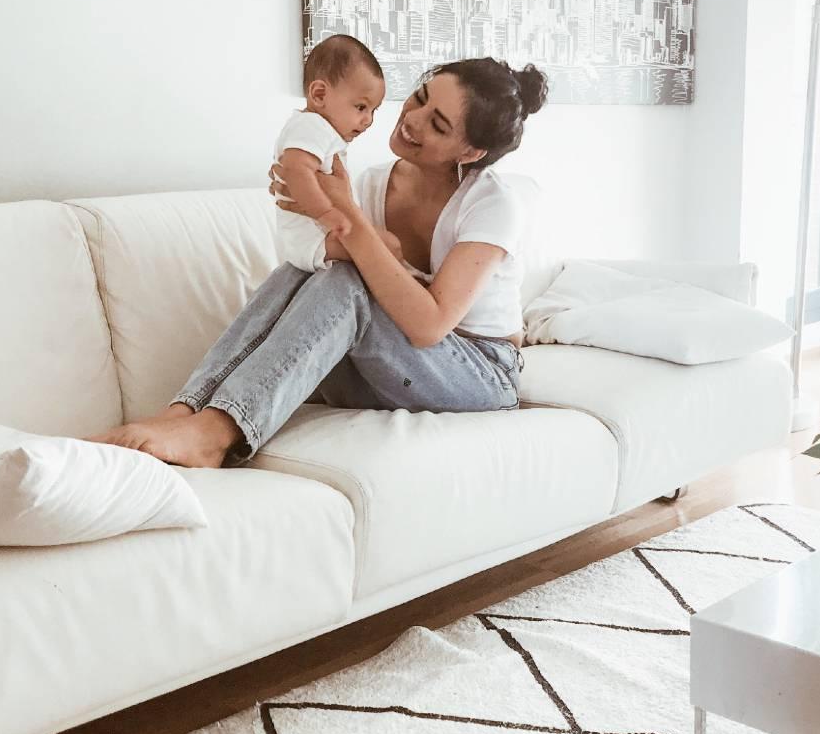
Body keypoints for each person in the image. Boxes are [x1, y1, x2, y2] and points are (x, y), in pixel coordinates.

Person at [87, 57, 549, 468]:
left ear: (470, 153)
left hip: (476, 372)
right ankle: (184, 412)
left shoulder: (492, 205)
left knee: (345, 281)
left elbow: (429, 325)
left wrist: (345, 213)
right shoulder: (371, 183)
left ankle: (216, 433)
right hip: (383, 367)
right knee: (310, 269)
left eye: (438, 124)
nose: (411, 119)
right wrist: (302, 197)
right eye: (420, 99)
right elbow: (321, 269)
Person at [273, 35, 386, 271]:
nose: (368, 121)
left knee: (389, 246)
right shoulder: (311, 126)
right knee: (389, 248)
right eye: (361, 107)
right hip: (311, 241)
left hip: (314, 239)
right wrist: (326, 212)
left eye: (374, 110)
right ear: (320, 95)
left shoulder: (319, 131)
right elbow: (296, 170)